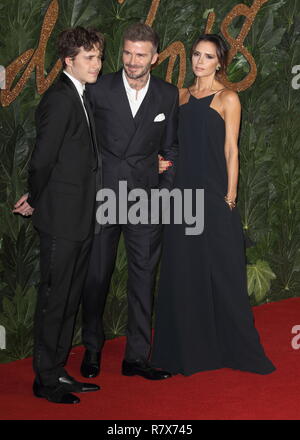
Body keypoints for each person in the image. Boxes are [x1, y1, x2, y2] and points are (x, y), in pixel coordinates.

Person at [151, 34, 276, 376]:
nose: (199, 61)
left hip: (214, 194)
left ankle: (233, 347)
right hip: (181, 196)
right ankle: (188, 350)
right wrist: (160, 161)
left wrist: (230, 195)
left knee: (223, 271)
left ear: (219, 62)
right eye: (196, 55)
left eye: (207, 56)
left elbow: (232, 150)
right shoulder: (179, 96)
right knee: (183, 271)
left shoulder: (228, 98)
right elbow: (169, 143)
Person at [80, 23, 178, 380]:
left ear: (155, 57)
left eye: (140, 54)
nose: (132, 61)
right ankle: (92, 347)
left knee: (142, 279)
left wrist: (164, 189)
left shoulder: (167, 95)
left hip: (145, 200)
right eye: (127, 53)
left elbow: (170, 148)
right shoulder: (99, 89)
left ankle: (136, 357)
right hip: (103, 197)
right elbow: (83, 143)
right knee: (96, 278)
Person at [13, 27, 104, 403]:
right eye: (89, 58)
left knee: (68, 299)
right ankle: (44, 380)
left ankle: (57, 370)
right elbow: (43, 159)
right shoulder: (61, 99)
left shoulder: (80, 94)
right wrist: (35, 196)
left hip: (79, 216)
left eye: (99, 57)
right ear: (69, 61)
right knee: (54, 300)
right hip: (62, 219)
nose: (97, 64)